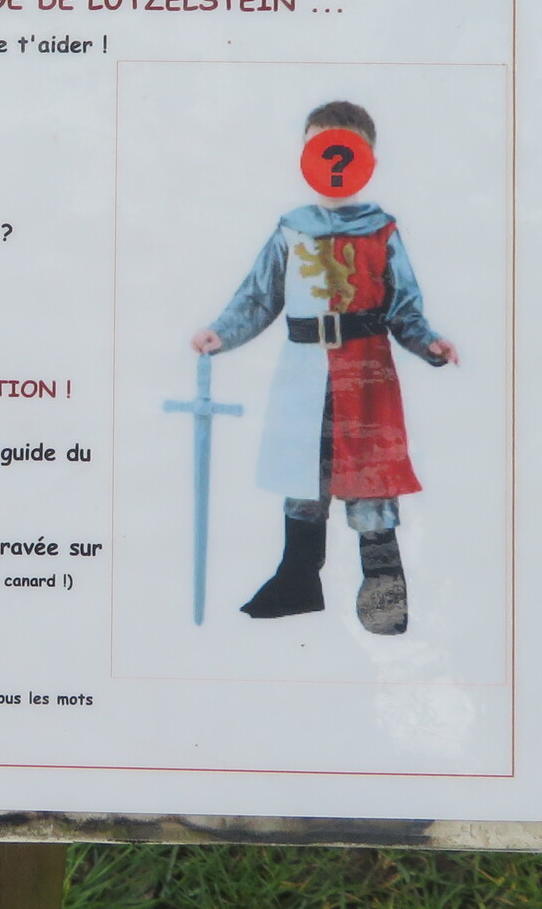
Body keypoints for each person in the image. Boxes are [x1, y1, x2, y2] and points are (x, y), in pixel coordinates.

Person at [189, 100, 456, 635]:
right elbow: (260, 296)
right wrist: (223, 332)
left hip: (366, 370)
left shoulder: (381, 230)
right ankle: (298, 580)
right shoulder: (293, 229)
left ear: (365, 157)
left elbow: (404, 306)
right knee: (303, 470)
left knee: (370, 474)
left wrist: (428, 343)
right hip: (304, 368)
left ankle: (384, 590)